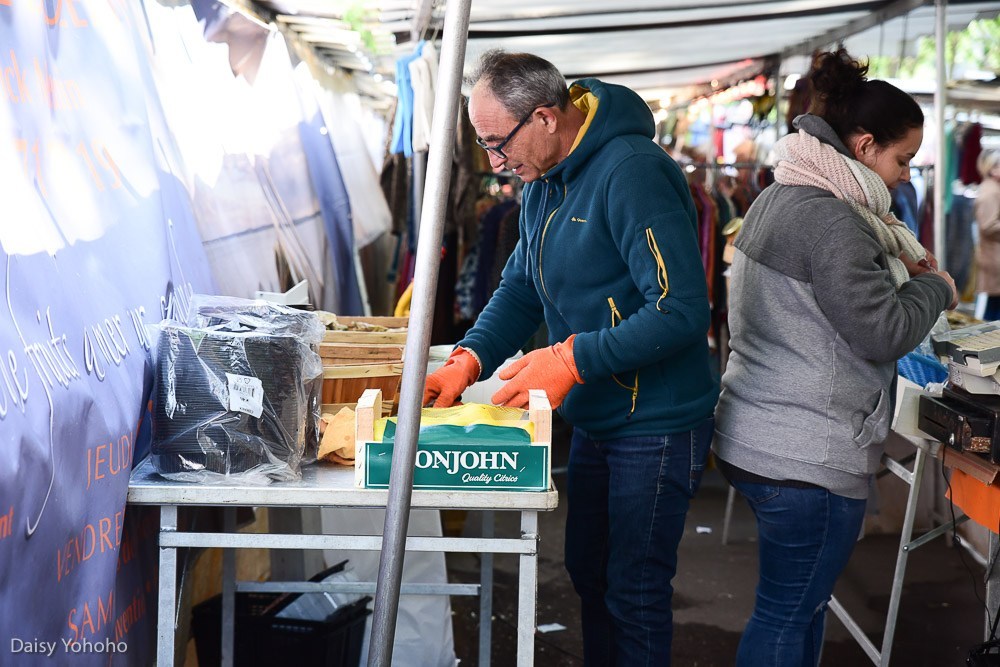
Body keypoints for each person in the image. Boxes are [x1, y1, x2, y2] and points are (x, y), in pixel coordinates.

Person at [423, 49, 718, 665]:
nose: (494, 163)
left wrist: (572, 360)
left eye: (498, 143)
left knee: (634, 592)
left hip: (656, 421)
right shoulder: (541, 178)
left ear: (547, 118)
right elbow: (522, 286)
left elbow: (683, 310)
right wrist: (468, 357)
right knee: (589, 573)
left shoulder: (631, 171)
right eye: (483, 145)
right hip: (596, 415)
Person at [713, 48, 957, 667]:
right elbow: (883, 332)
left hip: (756, 433)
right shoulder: (834, 223)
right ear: (867, 145)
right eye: (902, 160)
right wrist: (933, 285)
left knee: (795, 609)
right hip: (807, 454)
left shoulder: (780, 195)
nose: (905, 175)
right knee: (787, 615)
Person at [975, 149, 1000, 321]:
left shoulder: (992, 189)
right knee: (995, 304)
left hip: (994, 254)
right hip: (995, 255)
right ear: (992, 168)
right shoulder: (991, 192)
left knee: (995, 302)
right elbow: (988, 226)